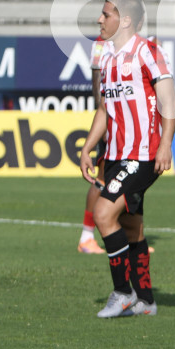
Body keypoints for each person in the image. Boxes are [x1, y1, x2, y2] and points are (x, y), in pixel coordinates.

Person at [79, 0, 175, 318]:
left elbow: (168, 101)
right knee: (132, 226)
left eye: (106, 14)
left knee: (104, 215)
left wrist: (165, 144)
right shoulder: (106, 57)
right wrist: (87, 148)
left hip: (144, 155)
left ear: (126, 21)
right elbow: (105, 110)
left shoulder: (148, 51)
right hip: (119, 155)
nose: (100, 19)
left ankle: (123, 292)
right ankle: (146, 301)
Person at [77, 37, 107, 254]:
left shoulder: (129, 42)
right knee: (103, 178)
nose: (101, 22)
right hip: (110, 121)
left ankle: (133, 237)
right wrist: (103, 119)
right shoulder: (102, 43)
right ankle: (86, 237)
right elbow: (97, 78)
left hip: (124, 124)